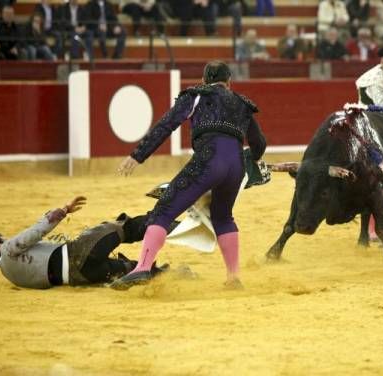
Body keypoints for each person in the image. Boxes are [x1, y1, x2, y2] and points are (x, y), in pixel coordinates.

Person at [111, 60, 267, 290]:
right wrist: (250, 162)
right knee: (223, 217)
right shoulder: (242, 104)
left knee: (163, 210)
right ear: (229, 83)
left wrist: (138, 155)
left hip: (209, 160)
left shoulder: (195, 95)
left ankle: (143, 267)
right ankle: (233, 277)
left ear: (204, 80)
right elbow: (259, 144)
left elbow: (166, 125)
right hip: (235, 166)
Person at [0, 196, 160, 289]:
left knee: (135, 271)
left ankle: (173, 276)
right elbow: (36, 232)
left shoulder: (11, 277)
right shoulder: (7, 249)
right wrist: (63, 210)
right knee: (123, 228)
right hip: (78, 255)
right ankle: (167, 221)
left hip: (81, 278)